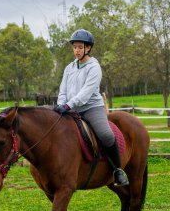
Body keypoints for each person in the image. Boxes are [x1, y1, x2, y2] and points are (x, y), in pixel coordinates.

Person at [54, 29, 129, 186]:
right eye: (74, 47)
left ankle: (118, 170)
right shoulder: (69, 68)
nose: (76, 50)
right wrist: (61, 105)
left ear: (88, 48)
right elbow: (63, 90)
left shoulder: (94, 67)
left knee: (106, 134)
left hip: (91, 108)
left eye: (80, 47)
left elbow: (86, 94)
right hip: (70, 109)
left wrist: (68, 105)